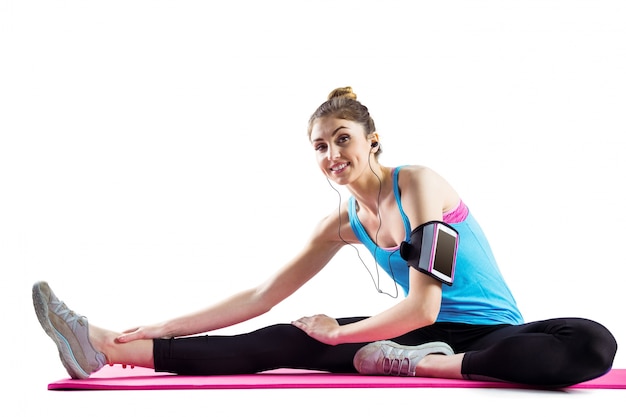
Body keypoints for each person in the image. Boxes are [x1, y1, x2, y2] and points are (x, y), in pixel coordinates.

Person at [33, 86, 618, 388]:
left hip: (489, 337)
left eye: (342, 139)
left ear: (371, 140)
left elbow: (423, 305)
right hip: (416, 336)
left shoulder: (418, 185)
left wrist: (342, 334)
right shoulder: (344, 224)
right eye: (320, 146)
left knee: (591, 343)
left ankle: (423, 367)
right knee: (284, 338)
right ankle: (106, 347)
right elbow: (259, 296)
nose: (333, 155)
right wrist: (161, 324)